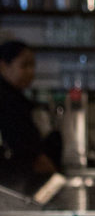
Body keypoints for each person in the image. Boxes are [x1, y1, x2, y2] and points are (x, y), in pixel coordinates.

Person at [0, 39, 61, 178]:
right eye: (24, 65)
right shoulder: (8, 100)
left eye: (33, 66)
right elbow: (23, 145)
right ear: (3, 66)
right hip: (12, 181)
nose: (31, 72)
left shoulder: (18, 98)